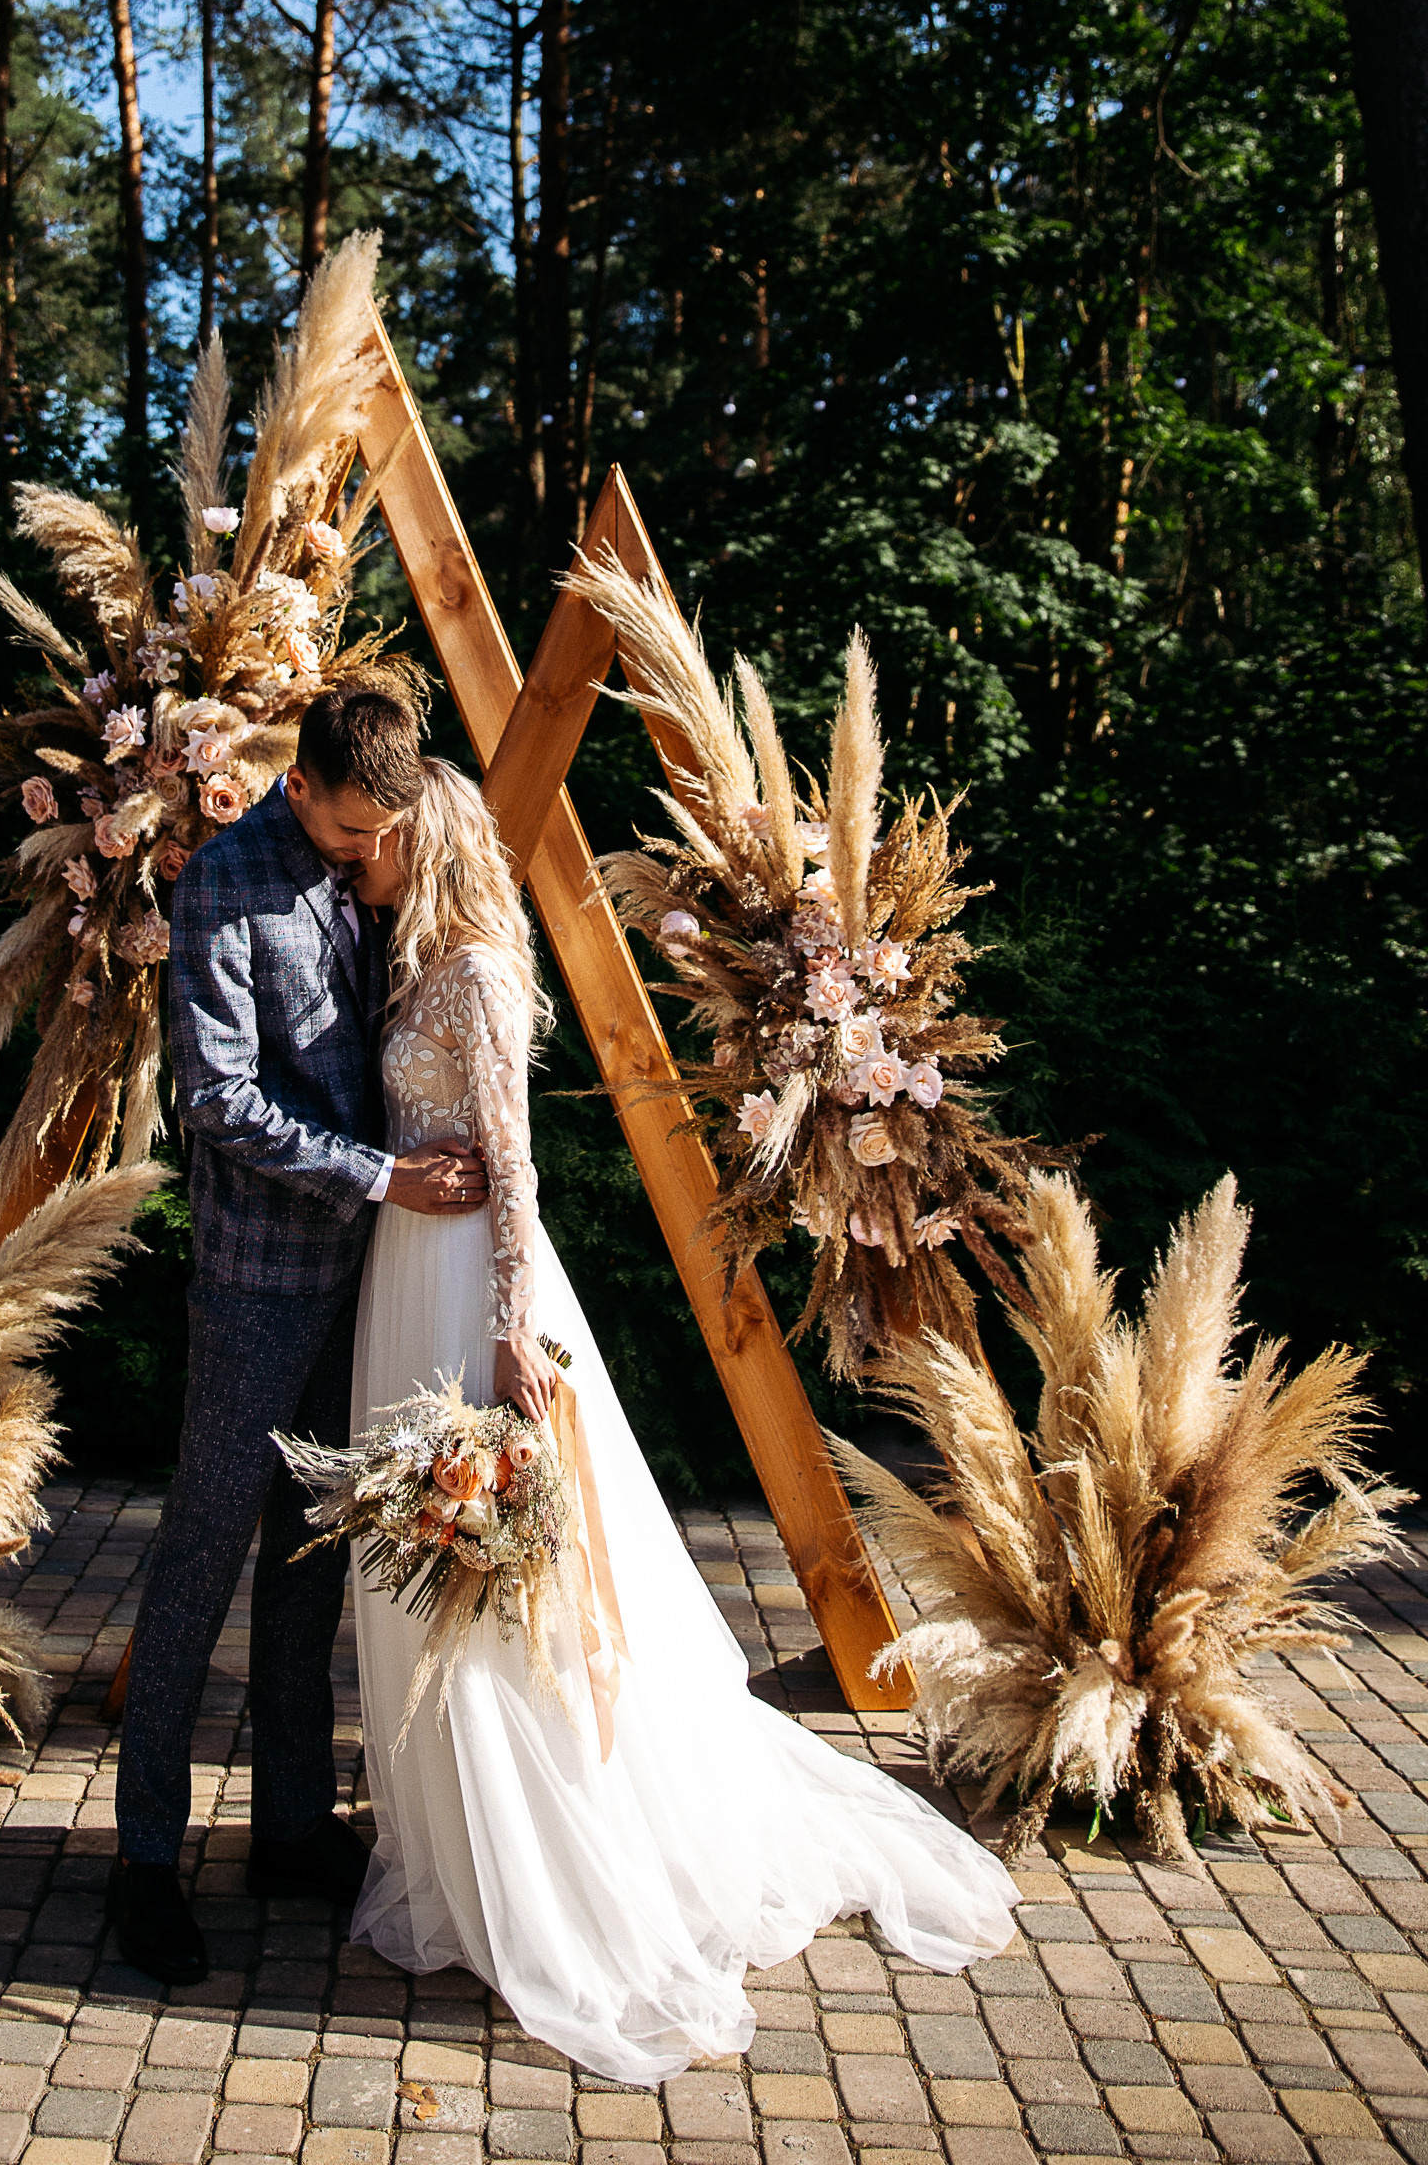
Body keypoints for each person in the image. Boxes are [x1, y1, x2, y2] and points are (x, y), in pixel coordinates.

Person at [344, 759, 1023, 2083]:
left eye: (379, 841)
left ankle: (554, 1867)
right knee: (433, 1573)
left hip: (474, 1290)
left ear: (428, 847)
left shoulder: (479, 974)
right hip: (401, 1278)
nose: (358, 856)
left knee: (504, 1582)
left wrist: (508, 1329)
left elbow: (514, 1162)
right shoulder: (412, 967)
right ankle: (466, 1857)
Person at [107, 685, 489, 1986]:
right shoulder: (223, 884)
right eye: (347, 830)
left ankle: (288, 1827)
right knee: (200, 1561)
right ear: (302, 785)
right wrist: (384, 1178)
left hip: (367, 1280)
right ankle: (143, 1862)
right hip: (258, 1281)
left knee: (311, 1559)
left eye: (379, 832)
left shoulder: (371, 850)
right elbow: (216, 1099)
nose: (366, 850)